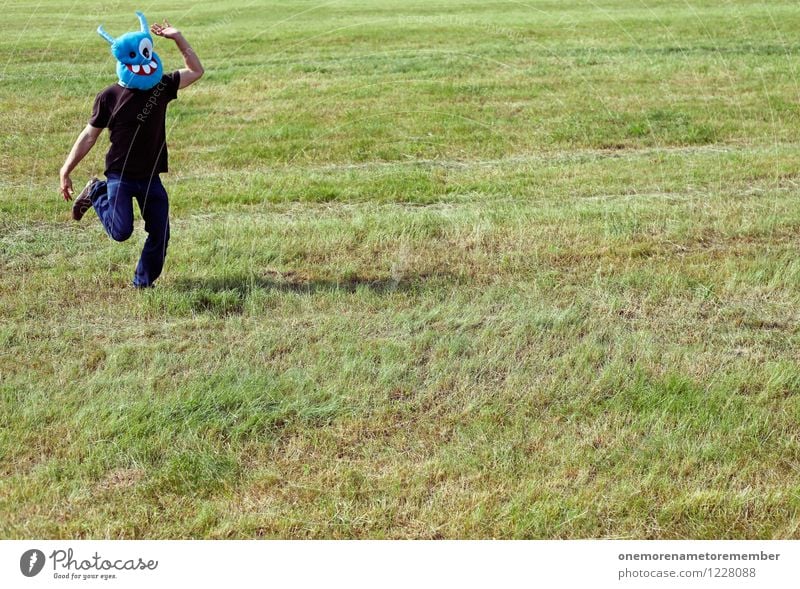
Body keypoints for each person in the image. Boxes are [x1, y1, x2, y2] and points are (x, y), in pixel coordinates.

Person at [59, 13, 204, 288]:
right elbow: (89, 136)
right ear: (124, 61)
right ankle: (97, 191)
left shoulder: (161, 86)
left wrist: (178, 38)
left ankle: (143, 283)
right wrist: (66, 169)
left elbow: (196, 71)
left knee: (160, 233)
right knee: (121, 231)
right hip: (120, 175)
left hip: (151, 175)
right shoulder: (109, 96)